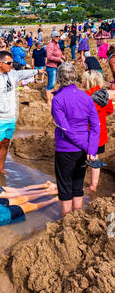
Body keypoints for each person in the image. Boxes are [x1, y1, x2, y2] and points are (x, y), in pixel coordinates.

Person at [0, 51, 42, 178]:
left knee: (6, 143)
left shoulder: (11, 73)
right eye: (9, 63)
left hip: (10, 117)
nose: (11, 65)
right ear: (0, 63)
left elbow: (22, 73)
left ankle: (1, 168)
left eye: (12, 63)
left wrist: (37, 71)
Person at [51, 63, 100, 217]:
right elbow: (95, 125)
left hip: (66, 149)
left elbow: (65, 128)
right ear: (75, 76)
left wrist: (86, 146)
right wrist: (91, 149)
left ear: (59, 78)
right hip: (84, 151)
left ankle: (67, 220)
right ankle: (77, 217)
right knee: (78, 184)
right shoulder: (86, 97)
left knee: (65, 186)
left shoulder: (57, 99)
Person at [82, 71, 114, 192]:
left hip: (87, 134)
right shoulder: (104, 96)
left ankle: (79, 181)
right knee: (95, 159)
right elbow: (110, 110)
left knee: (83, 159)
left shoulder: (86, 96)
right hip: (100, 134)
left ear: (87, 82)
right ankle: (93, 185)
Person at [45, 31, 64, 106]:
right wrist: (58, 59)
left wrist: (62, 57)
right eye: (56, 36)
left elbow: (58, 53)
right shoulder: (50, 45)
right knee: (51, 84)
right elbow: (49, 56)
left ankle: (52, 99)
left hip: (56, 66)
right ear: (53, 37)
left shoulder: (57, 44)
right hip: (51, 66)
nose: (58, 38)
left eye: (59, 36)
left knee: (53, 83)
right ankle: (48, 101)